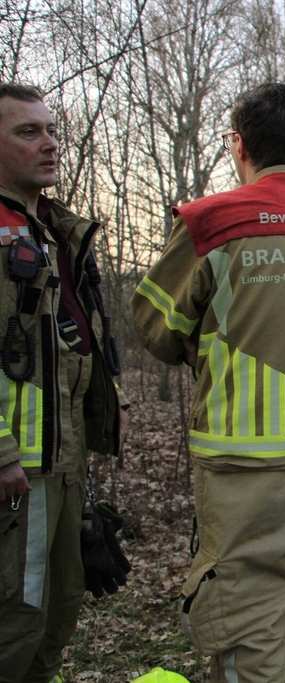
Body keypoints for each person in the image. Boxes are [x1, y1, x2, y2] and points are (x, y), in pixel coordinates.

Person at [131, 83, 285, 683]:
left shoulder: (211, 223)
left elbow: (154, 326)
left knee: (249, 647)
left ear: (238, 144)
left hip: (241, 477)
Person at [0, 83, 124, 683]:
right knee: (15, 621)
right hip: (16, 471)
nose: (49, 144)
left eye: (51, 130)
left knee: (58, 614)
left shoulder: (52, 231)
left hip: (61, 464)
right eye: (28, 132)